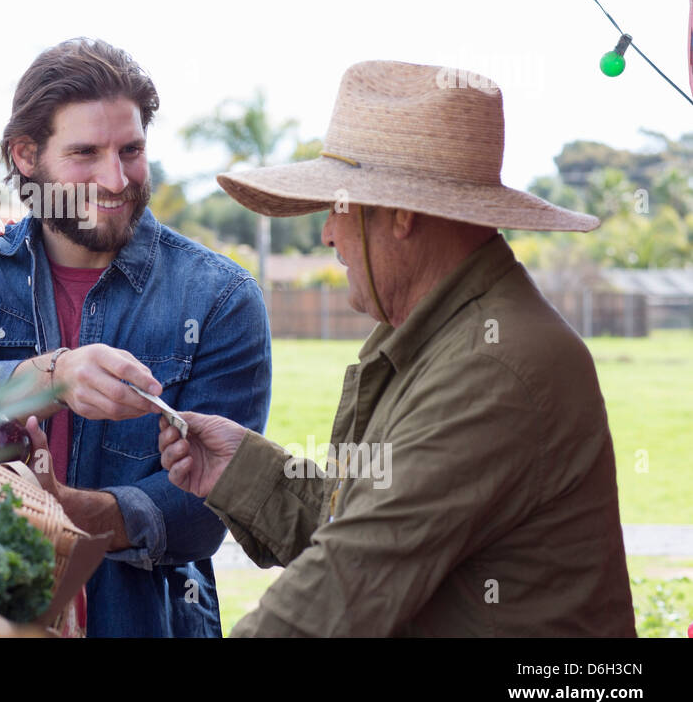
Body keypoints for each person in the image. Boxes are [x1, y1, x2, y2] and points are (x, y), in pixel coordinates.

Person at [142, 60, 634, 636]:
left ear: (401, 215)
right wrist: (243, 471)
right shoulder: (446, 337)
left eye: (339, 207)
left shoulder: (491, 365)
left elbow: (349, 580)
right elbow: (374, 520)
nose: (328, 232)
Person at [0, 38, 271, 638]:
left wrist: (66, 511)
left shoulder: (220, 298)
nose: (115, 178)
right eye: (85, 153)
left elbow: (207, 510)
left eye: (131, 150)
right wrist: (54, 377)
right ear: (26, 155)